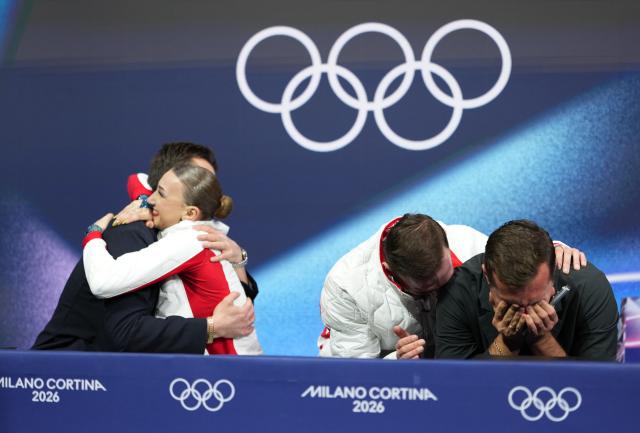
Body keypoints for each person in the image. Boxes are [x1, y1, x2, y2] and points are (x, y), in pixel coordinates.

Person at [32, 142, 256, 352]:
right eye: (195, 177)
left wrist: (239, 259)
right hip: (68, 370)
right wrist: (211, 327)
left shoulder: (198, 235)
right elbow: (126, 329)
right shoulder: (134, 231)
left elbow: (237, 312)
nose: (208, 191)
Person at [319, 214, 586, 359]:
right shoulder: (346, 286)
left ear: (447, 245)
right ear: (392, 272)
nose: (441, 293)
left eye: (447, 280)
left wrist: (553, 253)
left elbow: (517, 258)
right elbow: (352, 381)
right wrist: (396, 364)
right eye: (426, 289)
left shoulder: (467, 242)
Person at [83, 163, 261, 355]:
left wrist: (93, 235)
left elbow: (103, 282)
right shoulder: (198, 226)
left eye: (161, 194)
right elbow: (137, 179)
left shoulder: (191, 240)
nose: (151, 199)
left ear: (190, 212)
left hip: (229, 372)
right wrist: (143, 202)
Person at [434, 220, 618, 360]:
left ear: (552, 277)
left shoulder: (589, 288)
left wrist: (542, 339)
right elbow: (458, 387)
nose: (524, 314)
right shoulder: (459, 289)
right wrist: (507, 341)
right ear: (487, 276)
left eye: (534, 302)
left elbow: (595, 389)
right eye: (511, 304)